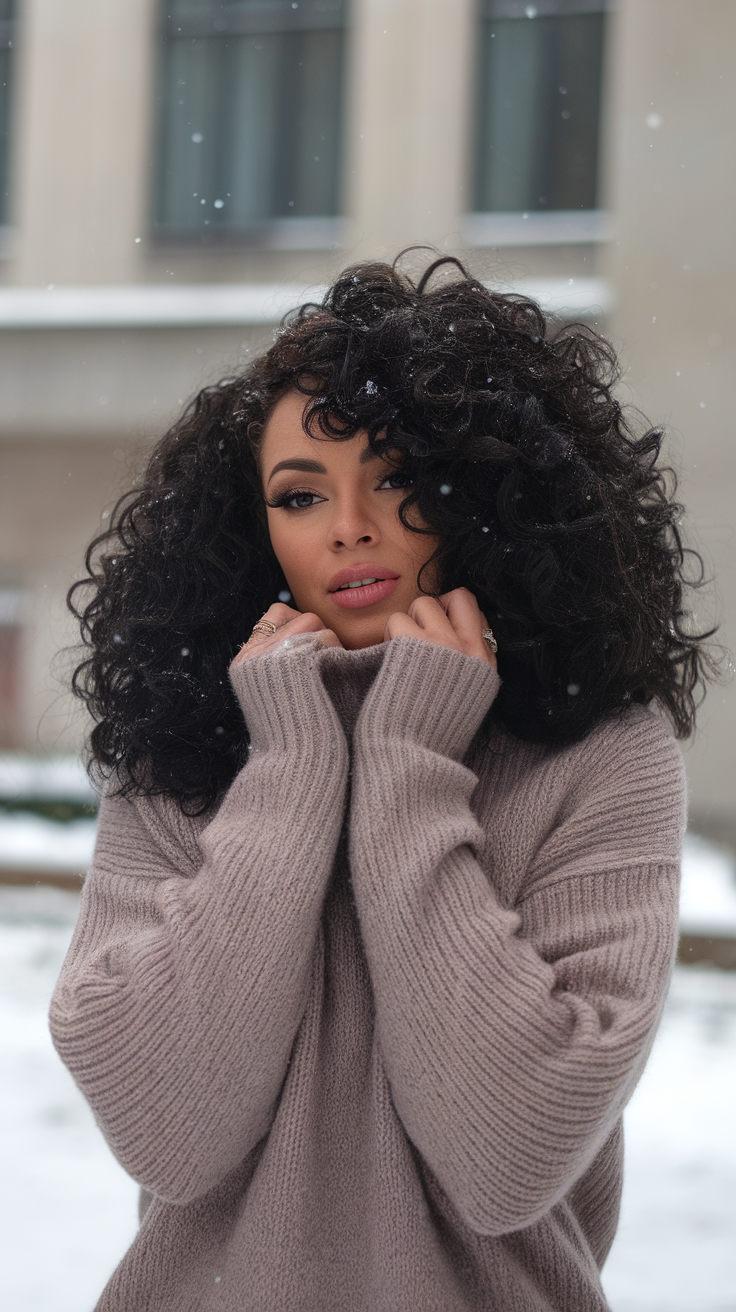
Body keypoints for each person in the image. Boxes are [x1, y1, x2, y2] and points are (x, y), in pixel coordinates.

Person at [51, 257, 712, 1311]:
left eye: (400, 475)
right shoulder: (181, 752)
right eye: (300, 494)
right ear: (253, 526)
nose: (348, 524)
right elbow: (166, 1130)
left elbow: (507, 1156)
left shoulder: (600, 754)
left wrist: (406, 757)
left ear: (492, 496)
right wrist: (295, 764)